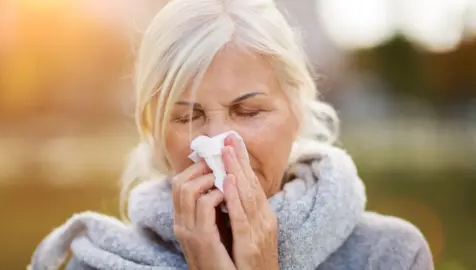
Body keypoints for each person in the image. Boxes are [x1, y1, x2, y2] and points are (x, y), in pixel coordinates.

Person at [30, 0, 434, 269]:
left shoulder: (390, 255)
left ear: (297, 112)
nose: (220, 144)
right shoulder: (96, 262)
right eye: (189, 117)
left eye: (248, 111)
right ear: (153, 130)